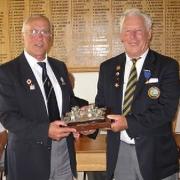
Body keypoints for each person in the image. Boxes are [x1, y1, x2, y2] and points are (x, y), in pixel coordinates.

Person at [95, 8, 180, 180]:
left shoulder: (167, 66)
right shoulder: (108, 67)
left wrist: (128, 122)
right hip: (120, 153)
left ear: (149, 33)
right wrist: (86, 123)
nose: (133, 36)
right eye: (128, 31)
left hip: (156, 156)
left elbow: (167, 110)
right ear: (121, 35)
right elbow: (101, 105)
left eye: (138, 31)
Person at [0, 14, 78, 180]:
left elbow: (69, 103)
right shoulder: (7, 72)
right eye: (33, 31)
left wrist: (84, 121)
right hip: (28, 159)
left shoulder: (59, 67)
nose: (40, 37)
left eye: (45, 32)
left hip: (63, 153)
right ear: (23, 35)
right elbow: (8, 118)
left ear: (51, 36)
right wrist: (45, 130)